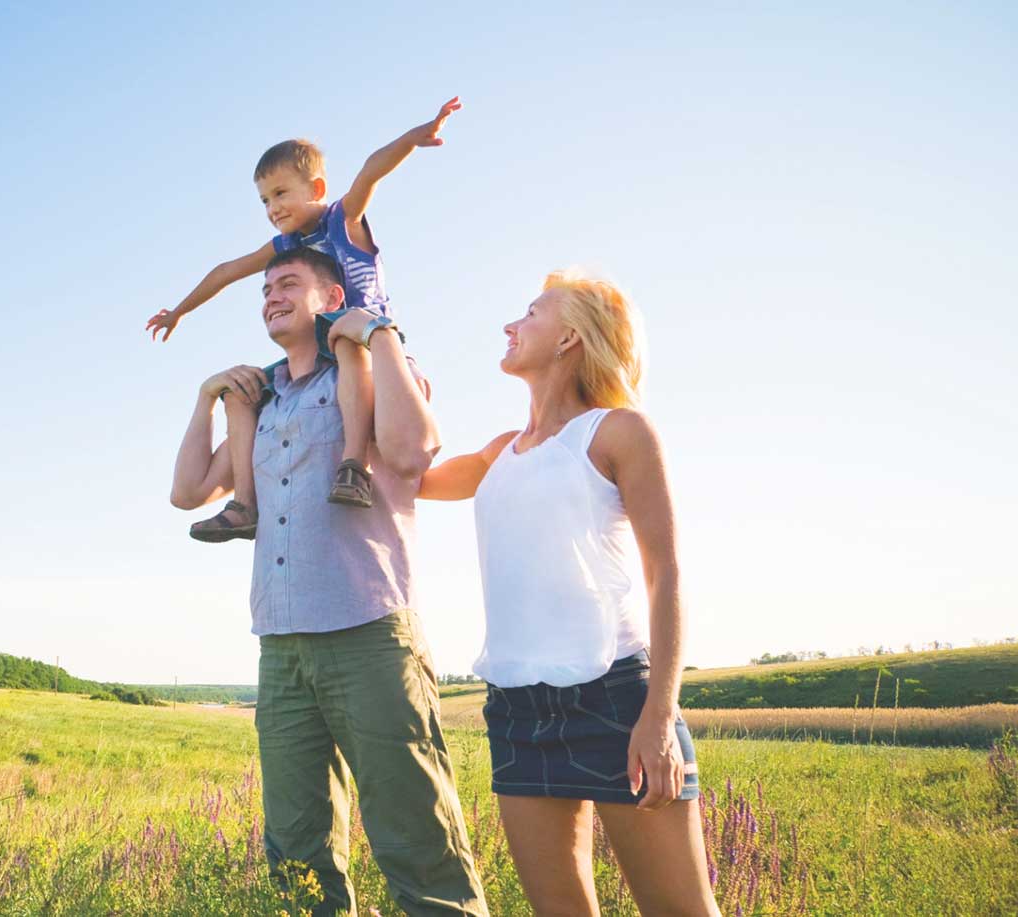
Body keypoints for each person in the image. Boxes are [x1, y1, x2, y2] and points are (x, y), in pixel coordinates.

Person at [169, 246, 487, 916]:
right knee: (295, 847)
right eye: (263, 292)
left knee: (416, 836)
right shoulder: (262, 400)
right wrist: (204, 397)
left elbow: (412, 450)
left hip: (368, 632)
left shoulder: (370, 370)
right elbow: (189, 489)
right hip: (281, 646)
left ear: (330, 297)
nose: (269, 297)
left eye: (287, 283)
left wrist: (377, 334)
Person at [418, 270, 721, 916]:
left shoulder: (618, 433)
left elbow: (666, 574)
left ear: (569, 339)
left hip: (615, 701)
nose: (510, 325)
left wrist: (658, 716)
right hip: (516, 713)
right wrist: (387, 362)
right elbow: (407, 475)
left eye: (530, 313)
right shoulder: (500, 451)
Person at [150, 97, 462, 542]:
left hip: (362, 337)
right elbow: (226, 270)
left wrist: (415, 137)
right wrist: (180, 310)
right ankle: (245, 505)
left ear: (315, 189)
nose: (272, 208)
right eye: (264, 200)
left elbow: (371, 170)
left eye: (280, 194)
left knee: (344, 341)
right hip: (316, 352)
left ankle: (353, 464)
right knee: (243, 391)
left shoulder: (342, 219)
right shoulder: (285, 246)